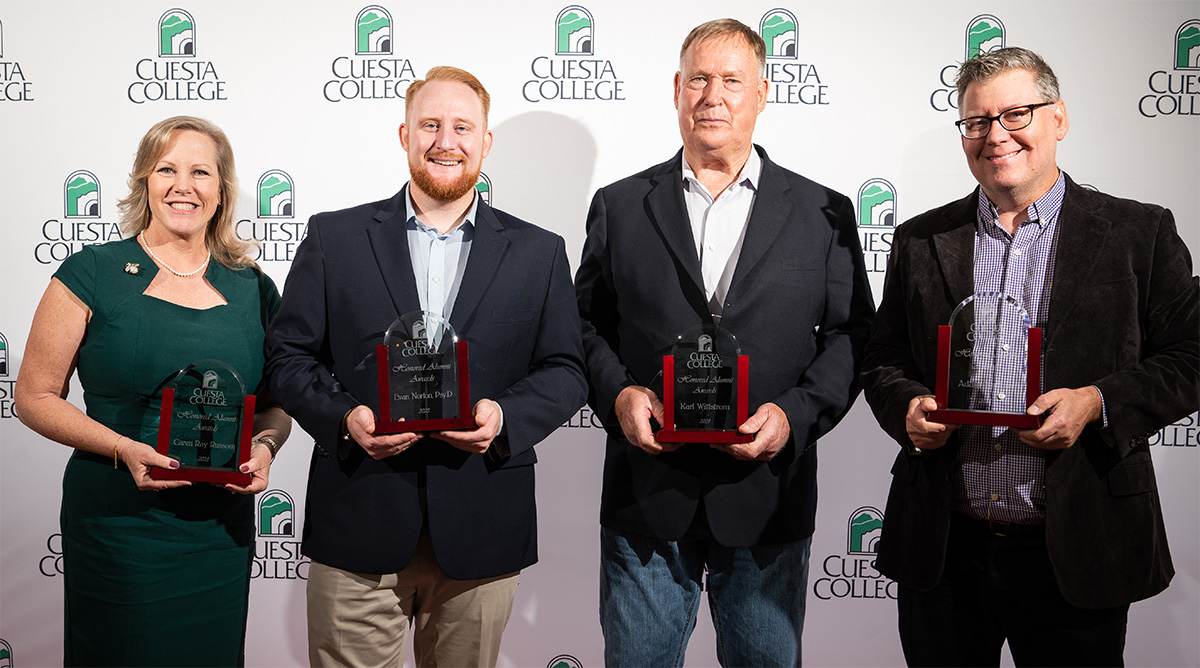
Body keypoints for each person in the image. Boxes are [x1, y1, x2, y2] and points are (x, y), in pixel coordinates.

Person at [860, 47, 1199, 667]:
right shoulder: (919, 238)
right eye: (976, 121)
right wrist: (906, 405)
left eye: (1016, 115)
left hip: (1078, 544)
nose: (996, 135)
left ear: (1058, 119)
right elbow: (884, 354)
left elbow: (1192, 354)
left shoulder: (1138, 233)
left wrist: (1096, 402)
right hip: (945, 549)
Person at [575, 19, 875, 667]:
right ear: (676, 90)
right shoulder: (619, 206)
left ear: (761, 94)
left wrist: (793, 416)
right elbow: (584, 327)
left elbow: (852, 336)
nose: (713, 95)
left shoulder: (822, 212)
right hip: (647, 497)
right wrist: (619, 396)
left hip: (767, 496)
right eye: (699, 79)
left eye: (732, 81)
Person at [266, 66, 587, 668]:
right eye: (430, 124)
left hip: (482, 521)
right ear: (404, 135)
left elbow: (567, 368)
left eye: (462, 127)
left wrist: (504, 417)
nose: (445, 141)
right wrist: (344, 419)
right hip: (359, 515)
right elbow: (288, 357)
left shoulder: (539, 252)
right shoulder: (334, 237)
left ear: (485, 142)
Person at [15, 116, 291, 666]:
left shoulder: (254, 287)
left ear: (222, 190)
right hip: (120, 522)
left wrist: (265, 447)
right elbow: (34, 396)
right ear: (144, 180)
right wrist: (123, 448)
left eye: (200, 172)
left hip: (220, 531)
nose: (183, 186)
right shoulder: (91, 272)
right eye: (167, 169)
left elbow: (276, 403)